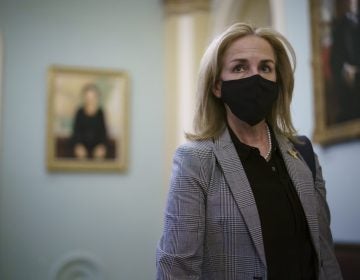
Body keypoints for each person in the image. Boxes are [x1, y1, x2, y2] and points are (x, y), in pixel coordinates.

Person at [156, 23, 342, 279]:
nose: (255, 78)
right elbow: (177, 269)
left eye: (265, 68)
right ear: (217, 86)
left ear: (278, 81)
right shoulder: (195, 160)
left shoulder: (303, 153)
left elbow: (325, 257)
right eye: (239, 67)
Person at [71, 83, 108, 159]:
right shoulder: (79, 112)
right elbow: (76, 132)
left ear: (97, 98)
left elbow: (103, 133)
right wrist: (78, 145)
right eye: (88, 97)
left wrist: (102, 146)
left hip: (97, 147)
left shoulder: (100, 113)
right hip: (82, 146)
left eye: (93, 97)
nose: (90, 100)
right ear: (84, 97)